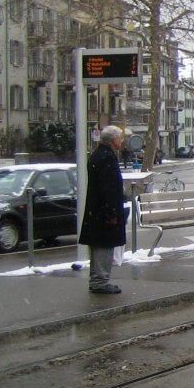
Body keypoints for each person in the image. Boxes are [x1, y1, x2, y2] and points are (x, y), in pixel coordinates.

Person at [79, 125, 128, 294]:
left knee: (98, 244)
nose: (121, 141)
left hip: (96, 210)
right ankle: (101, 281)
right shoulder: (107, 158)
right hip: (104, 212)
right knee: (104, 245)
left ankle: (97, 279)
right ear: (114, 140)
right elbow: (108, 188)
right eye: (120, 138)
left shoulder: (97, 155)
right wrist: (111, 213)